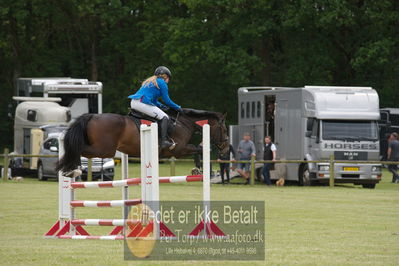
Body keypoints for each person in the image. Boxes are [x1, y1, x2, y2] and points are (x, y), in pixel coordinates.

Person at [128, 66, 182, 150]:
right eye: (169, 79)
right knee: (165, 117)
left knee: (159, 115)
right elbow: (167, 100)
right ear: (166, 77)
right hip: (141, 103)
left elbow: (154, 101)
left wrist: (162, 106)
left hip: (134, 102)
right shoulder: (162, 82)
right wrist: (178, 107)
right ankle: (164, 142)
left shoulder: (150, 81)